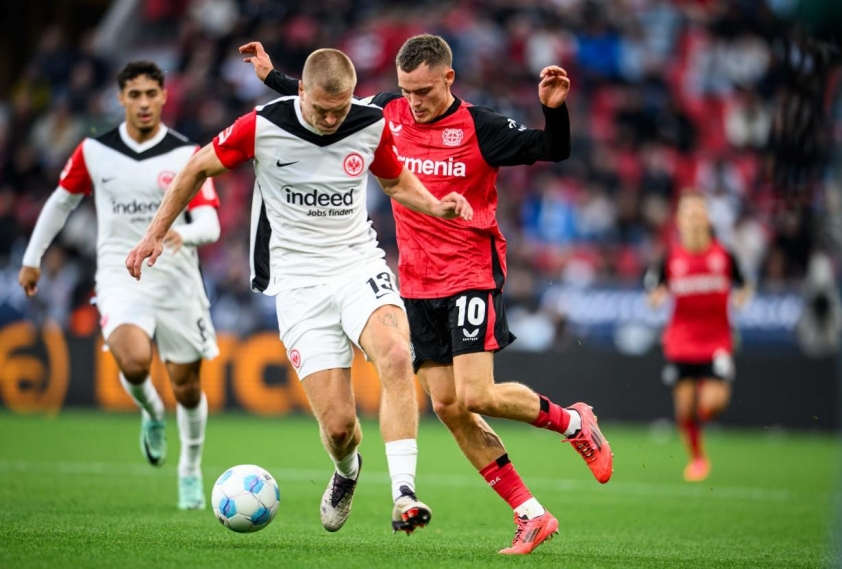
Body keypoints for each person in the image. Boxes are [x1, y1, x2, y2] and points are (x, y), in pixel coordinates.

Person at [243, 34, 613, 555]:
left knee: (477, 394)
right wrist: (272, 78)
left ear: (448, 79)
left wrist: (555, 112)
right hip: (415, 284)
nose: (413, 101)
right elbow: (330, 103)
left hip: (470, 273)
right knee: (448, 405)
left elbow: (552, 148)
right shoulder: (387, 111)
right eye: (405, 90)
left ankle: (575, 422)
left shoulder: (481, 127)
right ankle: (530, 513)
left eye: (423, 90)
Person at [125, 48, 473, 534]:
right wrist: (154, 233)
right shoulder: (262, 125)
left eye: (342, 108)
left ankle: (404, 495)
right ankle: (347, 471)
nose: (333, 119)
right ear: (302, 92)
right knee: (338, 427)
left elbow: (395, 182)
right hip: (298, 282)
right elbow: (196, 168)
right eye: (322, 109)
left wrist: (437, 207)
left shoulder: (370, 123)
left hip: (357, 262)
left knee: (396, 355)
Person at [19, 61, 221, 509]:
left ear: (165, 96)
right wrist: (32, 259)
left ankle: (190, 468)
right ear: (121, 98)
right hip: (120, 273)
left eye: (152, 93)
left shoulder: (188, 153)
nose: (144, 103)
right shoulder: (94, 151)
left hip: (176, 279)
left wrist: (181, 234)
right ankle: (152, 414)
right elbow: (59, 202)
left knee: (187, 386)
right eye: (135, 94)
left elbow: (210, 223)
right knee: (132, 361)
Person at [645, 191, 752, 482]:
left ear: (707, 218)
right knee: (683, 407)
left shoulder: (724, 255)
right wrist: (655, 297)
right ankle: (698, 460)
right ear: (679, 221)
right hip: (681, 341)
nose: (693, 219)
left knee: (714, 403)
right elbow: (652, 288)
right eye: (687, 214)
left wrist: (742, 296)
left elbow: (745, 284)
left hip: (717, 340)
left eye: (698, 213)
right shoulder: (669, 258)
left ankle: (701, 420)